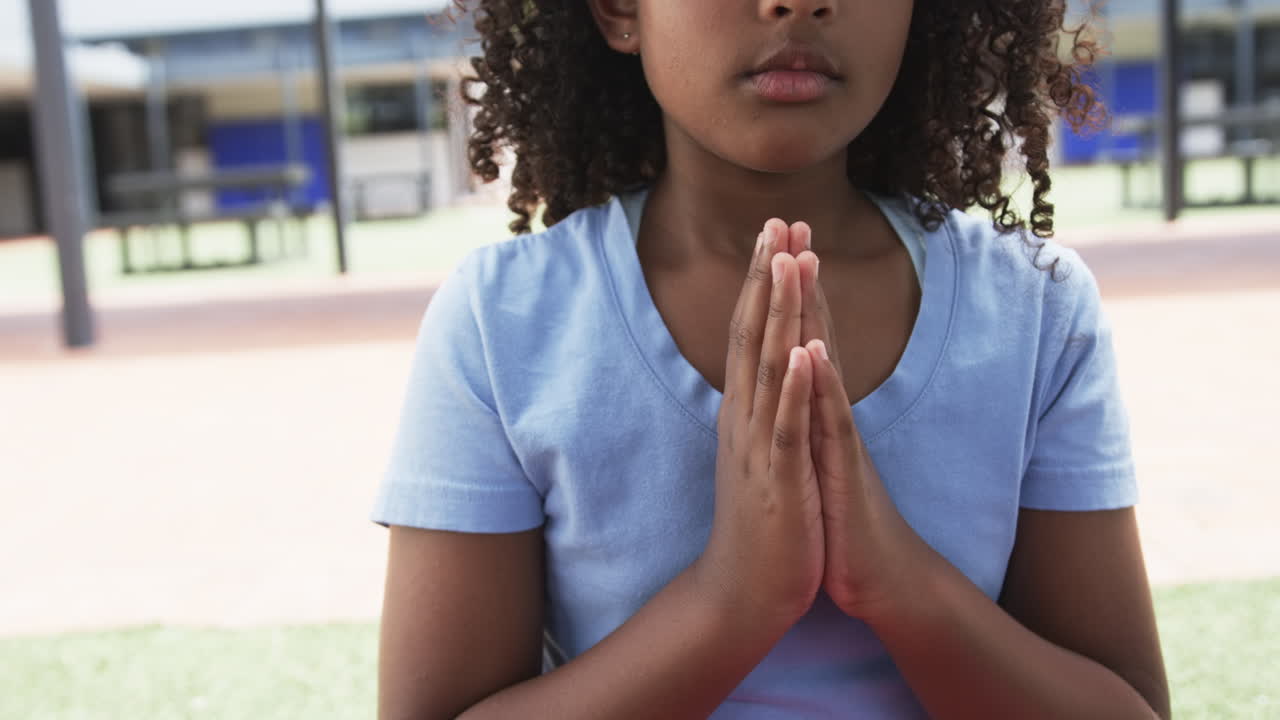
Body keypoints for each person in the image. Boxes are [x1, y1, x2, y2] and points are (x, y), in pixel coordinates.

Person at [371, 0, 1170, 717]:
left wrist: (898, 584)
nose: (796, 3)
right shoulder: (503, 321)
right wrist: (732, 602)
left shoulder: (1035, 311)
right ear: (620, 10)